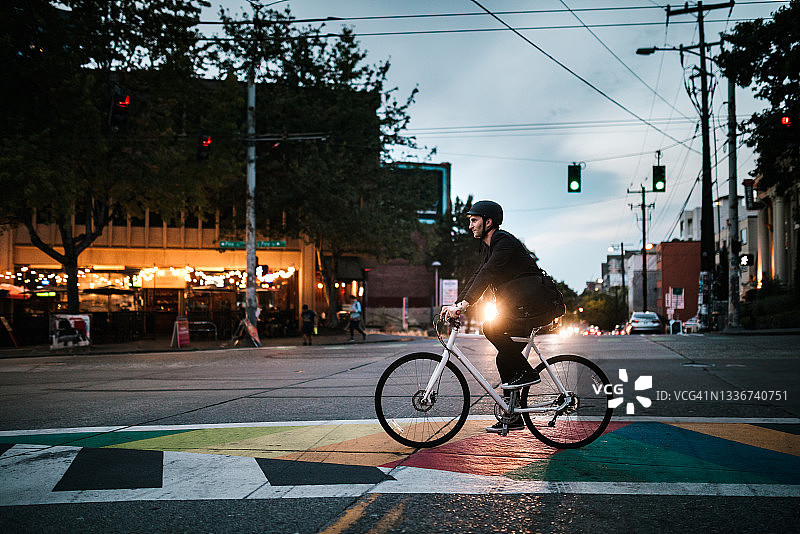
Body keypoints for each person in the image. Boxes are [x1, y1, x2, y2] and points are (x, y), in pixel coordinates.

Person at [441, 200, 565, 433]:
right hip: (522, 308)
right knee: (504, 358)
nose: (470, 226)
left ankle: (526, 372)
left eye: (474, 220)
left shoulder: (504, 242)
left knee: (491, 328)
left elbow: (488, 274)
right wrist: (458, 303)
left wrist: (465, 304)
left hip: (537, 306)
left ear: (489, 222)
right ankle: (513, 415)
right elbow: (479, 274)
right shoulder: (490, 247)